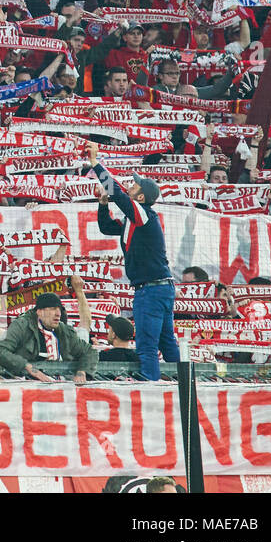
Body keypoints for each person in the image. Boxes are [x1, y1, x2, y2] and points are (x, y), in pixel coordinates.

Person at [84, 142, 180, 381]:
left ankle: (150, 387)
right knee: (167, 343)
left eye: (134, 185)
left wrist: (96, 164)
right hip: (160, 288)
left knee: (147, 345)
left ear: (140, 196)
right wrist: (103, 205)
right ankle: (183, 385)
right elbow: (107, 227)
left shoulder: (143, 213)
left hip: (151, 290)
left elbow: (118, 194)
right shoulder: (136, 220)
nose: (130, 185)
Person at [0, 293, 99, 382]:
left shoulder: (65, 331)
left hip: (59, 389)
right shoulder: (21, 325)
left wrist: (82, 371)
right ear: (39, 312)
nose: (58, 313)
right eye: (53, 309)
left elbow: (90, 351)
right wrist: (27, 367)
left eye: (59, 309)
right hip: (27, 387)